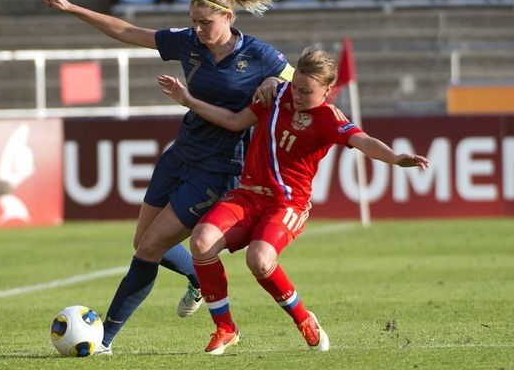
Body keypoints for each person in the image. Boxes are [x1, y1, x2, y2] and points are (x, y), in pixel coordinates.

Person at [43, 0, 295, 354]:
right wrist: (72, 7)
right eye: (193, 21)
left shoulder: (261, 56)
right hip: (180, 155)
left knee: (147, 251)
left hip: (219, 168)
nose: (197, 29)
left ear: (229, 18)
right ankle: (198, 274)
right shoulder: (189, 43)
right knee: (143, 242)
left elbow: (307, 88)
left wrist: (279, 85)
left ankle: (104, 340)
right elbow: (128, 32)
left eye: (205, 23)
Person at [158, 46, 430, 355]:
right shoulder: (277, 93)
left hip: (287, 204)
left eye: (307, 91)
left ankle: (303, 319)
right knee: (202, 241)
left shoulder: (329, 118)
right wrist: (188, 101)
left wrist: (396, 158)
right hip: (247, 194)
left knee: (259, 260)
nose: (297, 95)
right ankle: (225, 328)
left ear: (328, 90)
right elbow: (235, 121)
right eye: (296, 86)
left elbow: (363, 141)